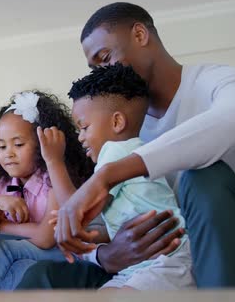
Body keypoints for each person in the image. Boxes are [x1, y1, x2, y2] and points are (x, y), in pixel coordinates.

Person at [19, 2, 235, 289]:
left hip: (230, 248)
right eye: (94, 68)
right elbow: (102, 216)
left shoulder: (217, 80)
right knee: (42, 279)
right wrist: (108, 255)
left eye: (105, 57)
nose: (102, 74)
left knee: (204, 176)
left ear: (140, 34)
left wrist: (110, 175)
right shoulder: (118, 127)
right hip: (148, 264)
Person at [66, 63, 194, 290]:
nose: (80, 137)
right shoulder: (134, 155)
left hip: (164, 262)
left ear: (117, 122)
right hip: (136, 268)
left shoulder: (115, 151)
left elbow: (82, 210)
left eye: (84, 127)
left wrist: (67, 221)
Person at [0, 91, 93, 290]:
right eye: (2, 146)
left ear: (43, 145)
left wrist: (2, 227)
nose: (9, 154)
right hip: (27, 255)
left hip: (64, 255)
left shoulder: (53, 181)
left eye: (18, 144)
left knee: (2, 248)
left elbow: (46, 238)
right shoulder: (5, 184)